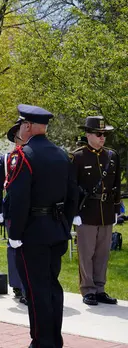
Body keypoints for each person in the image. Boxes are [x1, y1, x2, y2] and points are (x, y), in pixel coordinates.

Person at [6, 104, 78, 348]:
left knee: (36, 290)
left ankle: (41, 342)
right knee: (52, 287)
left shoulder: (23, 155)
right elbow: (73, 196)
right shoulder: (61, 154)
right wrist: (64, 223)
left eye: (22, 125)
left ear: (27, 126)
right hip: (56, 230)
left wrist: (15, 234)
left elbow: (19, 199)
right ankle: (54, 340)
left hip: (32, 232)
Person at [71, 116, 120, 306]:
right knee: (86, 252)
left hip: (106, 211)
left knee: (102, 253)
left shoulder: (111, 156)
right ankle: (88, 289)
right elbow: (72, 187)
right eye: (99, 134)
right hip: (87, 212)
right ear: (88, 134)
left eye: (104, 134)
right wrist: (74, 212)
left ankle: (100, 288)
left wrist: (116, 209)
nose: (102, 138)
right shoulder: (78, 157)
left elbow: (115, 186)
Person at [0, 119, 27, 305]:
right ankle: (17, 285)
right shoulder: (7, 158)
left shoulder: (34, 155)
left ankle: (28, 285)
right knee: (15, 247)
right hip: (12, 208)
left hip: (32, 209)